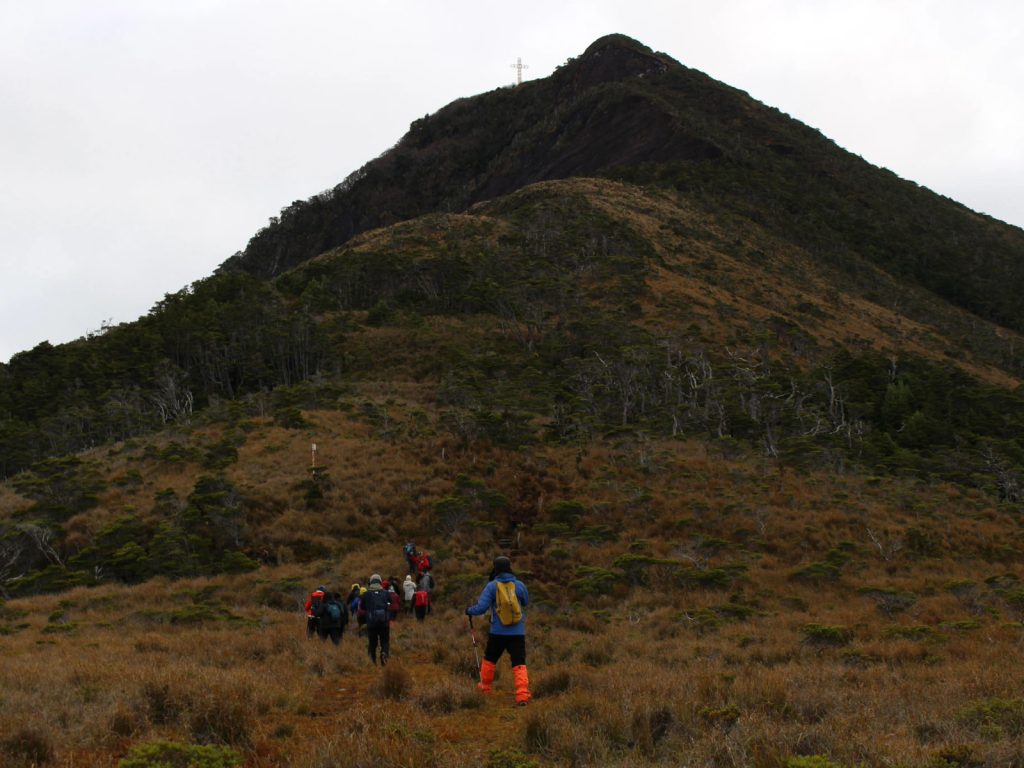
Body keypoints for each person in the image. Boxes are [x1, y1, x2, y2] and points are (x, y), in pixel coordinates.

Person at [466, 555, 531, 705]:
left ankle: (485, 688)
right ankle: (522, 694)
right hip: (517, 632)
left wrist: (469, 611)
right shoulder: (519, 585)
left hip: (498, 632)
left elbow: (481, 608)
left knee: (490, 659)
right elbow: (526, 602)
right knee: (519, 662)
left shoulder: (492, 586)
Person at [359, 574, 398, 665]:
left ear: (370, 582)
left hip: (371, 623)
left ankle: (372, 662)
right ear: (380, 582)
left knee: (372, 642)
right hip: (384, 622)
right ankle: (384, 653)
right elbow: (390, 603)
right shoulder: (385, 593)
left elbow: (362, 607)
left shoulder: (366, 594)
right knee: (385, 641)